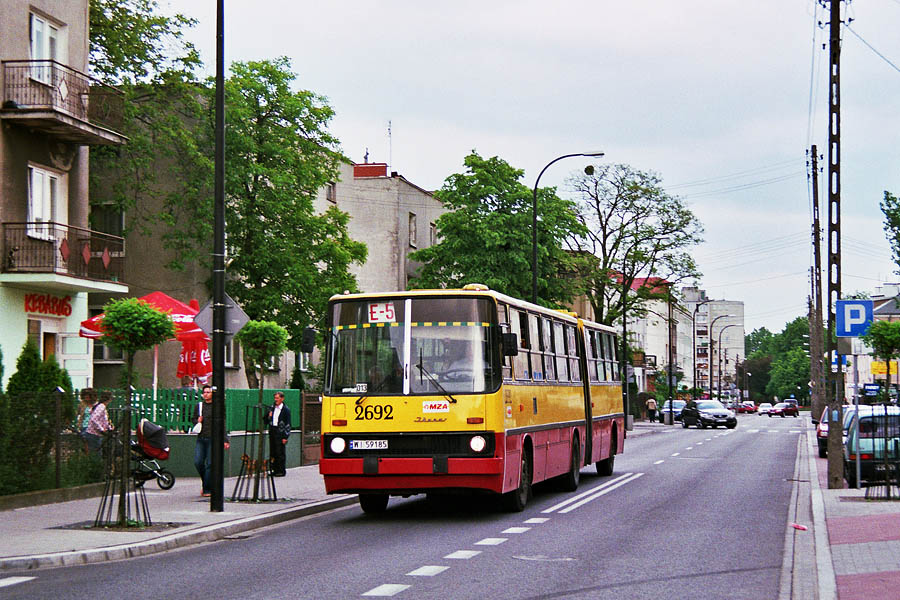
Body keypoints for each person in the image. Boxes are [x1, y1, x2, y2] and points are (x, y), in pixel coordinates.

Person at [192, 384, 230, 497]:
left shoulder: (217, 406)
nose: (206, 394)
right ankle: (207, 482)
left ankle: (207, 488)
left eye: (208, 392)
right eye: (204, 392)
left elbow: (222, 423)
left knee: (209, 464)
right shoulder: (199, 406)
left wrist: (225, 439)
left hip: (213, 439)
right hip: (201, 437)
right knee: (198, 462)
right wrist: (197, 421)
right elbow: (193, 419)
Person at [265, 391, 291, 477]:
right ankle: (274, 469)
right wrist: (269, 415)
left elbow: (288, 424)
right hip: (272, 430)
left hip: (280, 432)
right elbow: (265, 420)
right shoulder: (272, 407)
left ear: (282, 399)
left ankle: (281, 470)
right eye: (275, 398)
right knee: (273, 451)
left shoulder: (286, 410)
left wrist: (285, 436)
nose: (275, 400)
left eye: (277, 398)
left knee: (280, 452)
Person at [84, 388, 113, 454]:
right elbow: (94, 419)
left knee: (96, 453)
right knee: (96, 454)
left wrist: (109, 427)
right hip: (94, 434)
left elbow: (103, 420)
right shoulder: (101, 406)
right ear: (109, 399)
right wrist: (101, 429)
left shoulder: (99, 405)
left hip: (94, 434)